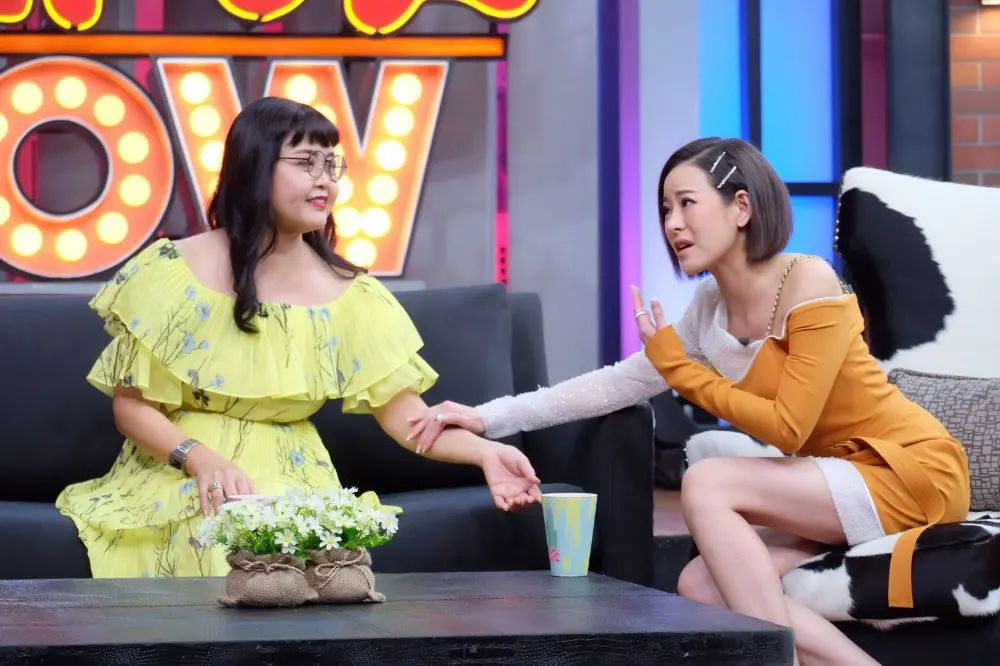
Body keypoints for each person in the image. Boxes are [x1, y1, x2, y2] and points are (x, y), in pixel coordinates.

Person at [407, 137, 970, 665]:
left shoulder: (807, 280)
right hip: (833, 485)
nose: (672, 223)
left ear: (741, 207)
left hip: (906, 469)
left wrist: (678, 367)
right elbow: (613, 384)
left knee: (708, 481)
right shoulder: (709, 309)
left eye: (686, 203)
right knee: (699, 584)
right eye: (665, 210)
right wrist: (488, 416)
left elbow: (790, 427)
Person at [55, 97, 541, 580]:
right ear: (255, 166)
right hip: (177, 466)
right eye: (306, 163)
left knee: (303, 555)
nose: (325, 179)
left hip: (294, 472)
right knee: (209, 537)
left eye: (332, 165)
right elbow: (132, 407)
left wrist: (485, 453)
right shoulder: (172, 271)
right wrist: (200, 460)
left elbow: (408, 418)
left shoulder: (352, 296)